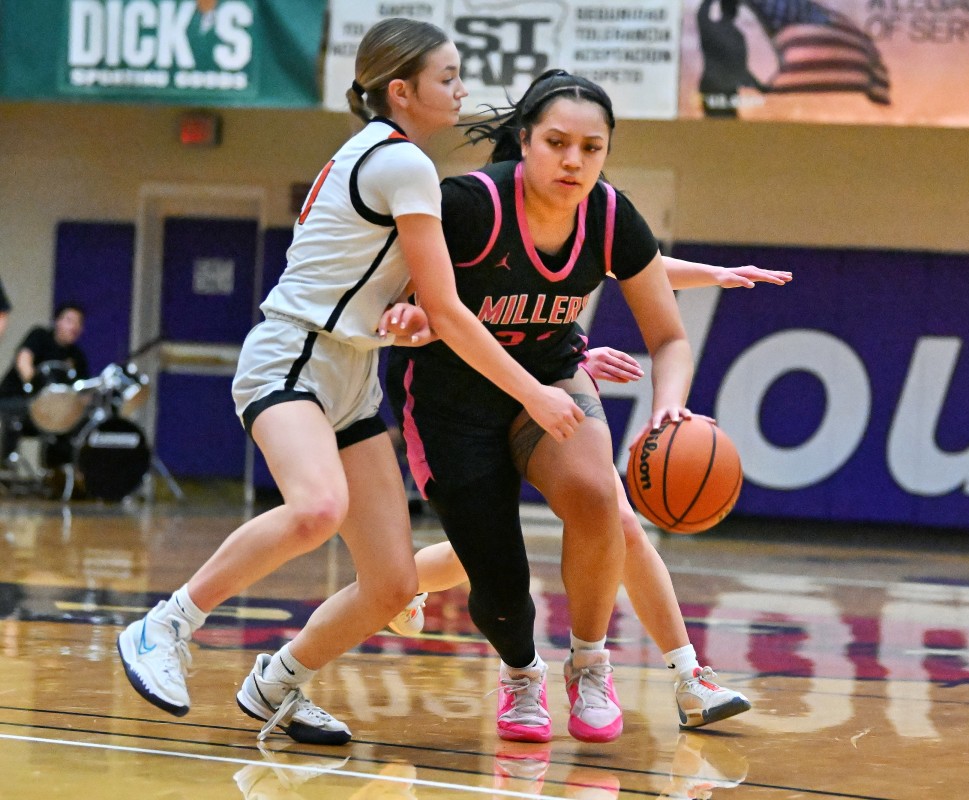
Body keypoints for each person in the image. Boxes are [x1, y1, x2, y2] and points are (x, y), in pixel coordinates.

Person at [116, 18, 582, 747]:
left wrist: (402, 320)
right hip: (293, 357)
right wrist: (533, 389)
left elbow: (419, 305)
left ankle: (281, 681)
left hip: (352, 372)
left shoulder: (389, 159)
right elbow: (452, 311)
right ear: (401, 91)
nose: (462, 89)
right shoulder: (404, 165)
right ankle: (165, 625)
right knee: (316, 508)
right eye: (448, 78)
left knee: (394, 583)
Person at [384, 68, 724, 745]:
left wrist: (670, 411)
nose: (574, 161)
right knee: (499, 572)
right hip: (453, 396)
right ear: (525, 140)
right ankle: (519, 673)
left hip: (550, 377)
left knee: (602, 498)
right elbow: (398, 290)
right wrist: (402, 316)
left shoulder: (608, 214)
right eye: (558, 143)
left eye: (592, 148)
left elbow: (668, 337)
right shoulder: (469, 206)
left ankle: (590, 664)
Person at [390, 260, 791, 730]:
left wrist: (713, 274)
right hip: (464, 398)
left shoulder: (585, 218)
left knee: (618, 521)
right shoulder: (479, 218)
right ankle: (406, 583)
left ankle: (689, 678)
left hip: (554, 381)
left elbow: (634, 263)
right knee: (491, 547)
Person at [0, 303, 89, 469]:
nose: (74, 326)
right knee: (15, 415)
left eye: (79, 322)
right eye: (70, 320)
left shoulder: (77, 356)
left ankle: (57, 473)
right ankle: (7, 469)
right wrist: (39, 392)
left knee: (72, 421)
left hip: (50, 411)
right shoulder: (39, 336)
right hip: (14, 399)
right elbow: (23, 361)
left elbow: (83, 391)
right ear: (57, 321)